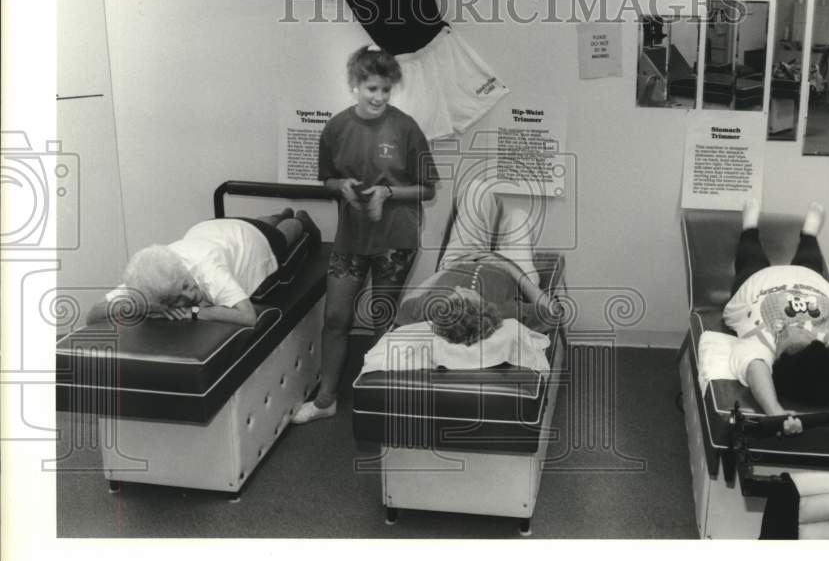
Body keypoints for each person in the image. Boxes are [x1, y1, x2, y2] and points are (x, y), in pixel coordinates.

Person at [293, 44, 438, 424]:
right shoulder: (336, 127)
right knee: (336, 317)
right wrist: (339, 186)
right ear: (354, 85)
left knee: (380, 318)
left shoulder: (406, 127)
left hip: (396, 237)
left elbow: (428, 188)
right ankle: (327, 401)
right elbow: (326, 179)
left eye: (386, 90)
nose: (379, 97)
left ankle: (378, 399)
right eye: (371, 88)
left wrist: (388, 192)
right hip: (352, 237)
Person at [724, 198, 829, 442]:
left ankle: (749, 227)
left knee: (750, 258)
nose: (794, 328)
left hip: (759, 281)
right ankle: (809, 234)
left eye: (787, 341)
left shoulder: (761, 347)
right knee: (810, 260)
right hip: (812, 282)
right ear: (822, 345)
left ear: (777, 358)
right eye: (805, 338)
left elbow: (754, 367)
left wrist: (775, 412)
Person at [362, 178, 561, 374]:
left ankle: (492, 220)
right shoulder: (505, 312)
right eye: (462, 295)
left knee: (476, 188)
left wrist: (445, 271)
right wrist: (508, 268)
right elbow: (553, 312)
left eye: (452, 295)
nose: (456, 289)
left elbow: (407, 303)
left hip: (459, 261)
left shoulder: (437, 307)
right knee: (519, 217)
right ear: (481, 308)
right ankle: (499, 227)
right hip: (512, 268)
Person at [87, 208, 322, 327]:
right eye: (178, 299)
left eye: (187, 286)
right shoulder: (149, 275)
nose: (191, 295)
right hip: (213, 229)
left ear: (183, 271)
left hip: (254, 240)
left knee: (282, 233)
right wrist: (149, 308)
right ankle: (275, 215)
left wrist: (194, 312)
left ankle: (298, 219)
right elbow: (93, 315)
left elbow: (248, 316)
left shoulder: (208, 269)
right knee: (261, 221)